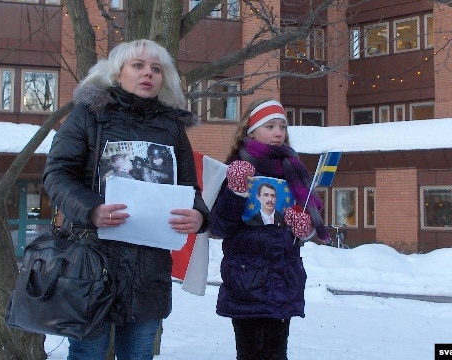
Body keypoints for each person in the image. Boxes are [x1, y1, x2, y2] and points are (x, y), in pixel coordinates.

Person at [43, 39, 210, 360]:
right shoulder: (88, 115)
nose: (148, 73)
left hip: (148, 269)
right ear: (117, 74)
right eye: (138, 65)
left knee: (139, 354)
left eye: (156, 69)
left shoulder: (172, 127)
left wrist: (199, 216)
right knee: (87, 354)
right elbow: (57, 174)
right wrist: (91, 210)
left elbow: (191, 188)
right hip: (91, 261)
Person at [209, 99, 330, 360]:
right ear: (250, 131)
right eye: (270, 126)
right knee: (249, 353)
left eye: (283, 127)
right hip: (245, 282)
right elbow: (218, 226)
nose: (279, 133)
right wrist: (236, 189)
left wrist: (304, 228)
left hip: (282, 280)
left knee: (277, 354)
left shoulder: (294, 169)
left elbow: (306, 225)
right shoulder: (233, 168)